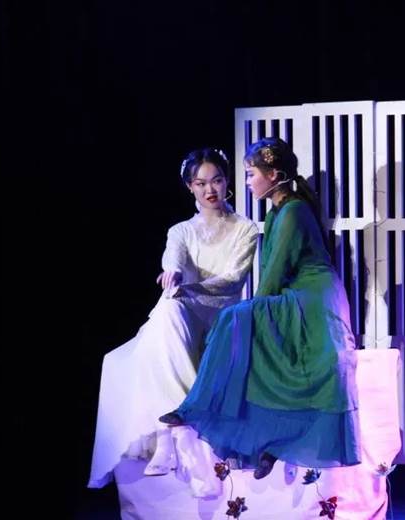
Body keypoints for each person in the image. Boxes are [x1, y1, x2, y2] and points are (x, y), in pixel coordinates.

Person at [160, 137, 361, 480]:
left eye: (252, 174)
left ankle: (200, 408)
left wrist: (253, 312)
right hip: (296, 295)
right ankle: (269, 441)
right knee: (243, 326)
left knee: (235, 317)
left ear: (275, 175)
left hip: (314, 299)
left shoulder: (293, 211)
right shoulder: (278, 211)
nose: (248, 182)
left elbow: (274, 274)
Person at [88, 148, 259, 493]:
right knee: (167, 311)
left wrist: (189, 287)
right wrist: (174, 274)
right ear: (189, 187)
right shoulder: (181, 230)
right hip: (183, 314)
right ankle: (179, 436)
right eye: (201, 183)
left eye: (216, 180)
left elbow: (233, 280)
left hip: (222, 316)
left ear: (226, 181)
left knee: (161, 326)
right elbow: (174, 259)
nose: (210, 190)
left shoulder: (246, 228)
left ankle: (169, 438)